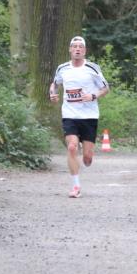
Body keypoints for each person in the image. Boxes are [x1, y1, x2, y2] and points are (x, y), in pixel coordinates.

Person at [49, 36, 109, 198]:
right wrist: (52, 93)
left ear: (84, 51)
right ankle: (76, 186)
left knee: (87, 158)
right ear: (70, 50)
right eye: (74, 46)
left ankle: (88, 154)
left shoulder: (92, 68)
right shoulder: (62, 68)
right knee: (72, 147)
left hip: (89, 116)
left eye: (80, 47)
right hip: (70, 114)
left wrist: (93, 96)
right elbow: (55, 84)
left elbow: (105, 88)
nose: (77, 49)